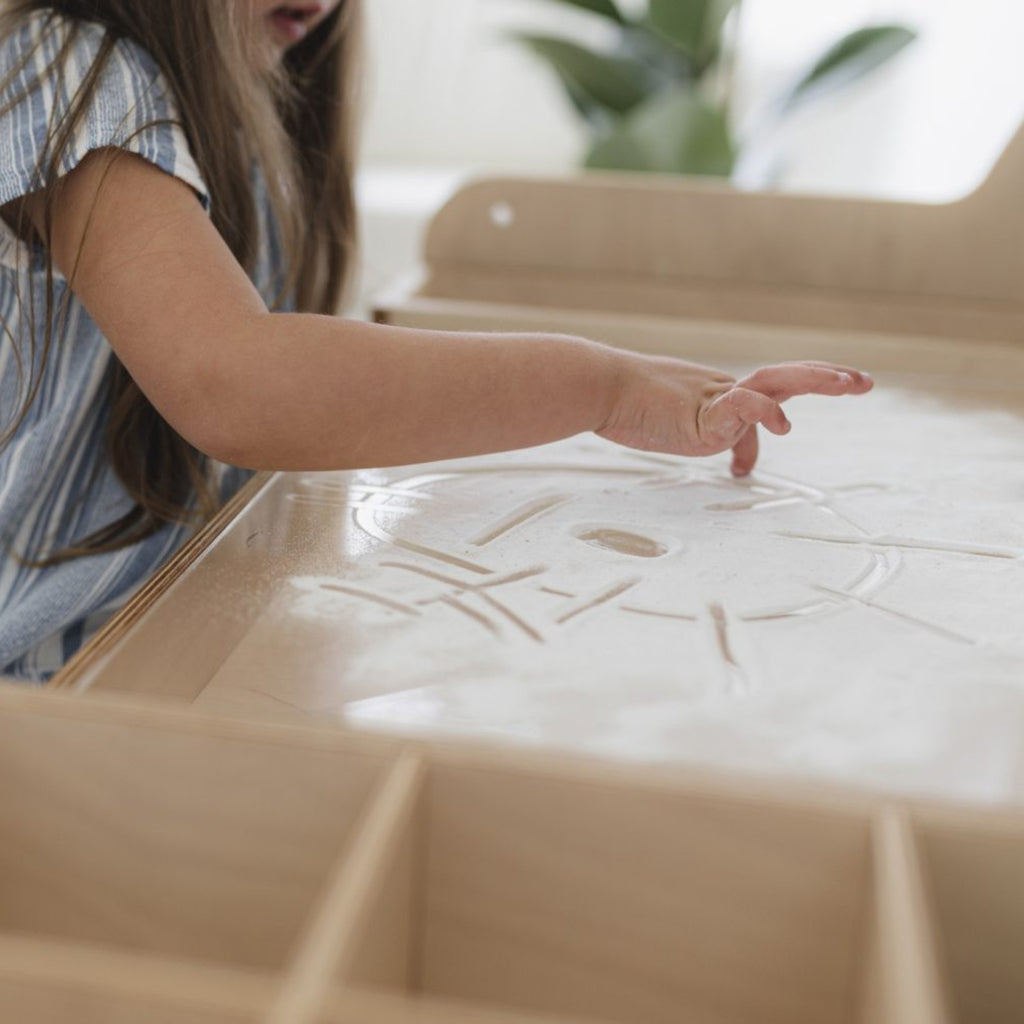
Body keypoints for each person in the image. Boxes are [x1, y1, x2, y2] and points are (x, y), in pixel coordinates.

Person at [0, 0, 872, 681]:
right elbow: (237, 384)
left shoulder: (238, 107)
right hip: (45, 689)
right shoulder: (71, 71)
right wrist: (598, 386)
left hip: (157, 646)